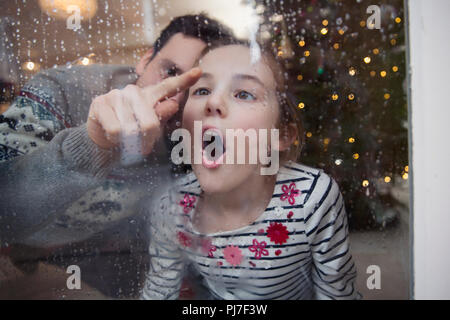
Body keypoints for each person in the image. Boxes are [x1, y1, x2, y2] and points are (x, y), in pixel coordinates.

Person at [0, 14, 235, 298]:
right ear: (145, 60)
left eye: (199, 89)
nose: (176, 99)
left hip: (72, 264)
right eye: (170, 71)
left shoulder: (191, 139)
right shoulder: (61, 90)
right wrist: (92, 144)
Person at [141, 41, 359, 300]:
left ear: (281, 134)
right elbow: (159, 290)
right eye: (201, 90)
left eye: (244, 94)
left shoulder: (310, 198)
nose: (213, 101)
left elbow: (337, 292)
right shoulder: (171, 207)